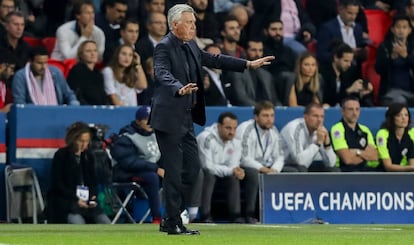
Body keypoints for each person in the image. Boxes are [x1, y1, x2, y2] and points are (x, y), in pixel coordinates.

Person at [150, 4, 274, 235]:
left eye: (194, 23)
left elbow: (214, 59)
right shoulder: (164, 47)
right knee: (175, 171)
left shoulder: (191, 45)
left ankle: (173, 215)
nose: (194, 26)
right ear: (174, 24)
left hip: (186, 118)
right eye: (189, 22)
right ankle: (172, 220)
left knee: (193, 168)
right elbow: (161, 72)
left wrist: (247, 64)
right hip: (168, 117)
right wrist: (179, 88)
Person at [48, 121, 111, 224]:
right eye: (81, 141)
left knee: (105, 222)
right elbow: (58, 185)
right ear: (73, 140)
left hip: (87, 203)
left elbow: (93, 182)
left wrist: (92, 197)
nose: (84, 145)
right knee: (78, 222)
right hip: (68, 202)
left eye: (86, 141)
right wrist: (76, 199)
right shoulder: (61, 155)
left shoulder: (89, 156)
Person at [194, 112, 252, 223]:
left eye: (235, 128)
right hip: (200, 174)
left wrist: (237, 171)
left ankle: (235, 215)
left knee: (234, 177)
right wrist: (231, 170)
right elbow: (207, 166)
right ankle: (205, 215)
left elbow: (233, 164)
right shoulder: (206, 139)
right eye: (228, 128)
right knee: (209, 175)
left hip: (221, 174)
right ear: (219, 126)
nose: (232, 132)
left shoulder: (236, 142)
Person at [110, 106, 164, 223]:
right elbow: (128, 162)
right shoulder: (127, 137)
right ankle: (157, 218)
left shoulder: (157, 134)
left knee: (175, 174)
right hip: (127, 172)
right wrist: (155, 168)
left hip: (151, 169)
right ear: (138, 121)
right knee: (152, 177)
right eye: (146, 119)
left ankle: (179, 214)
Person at [236, 100, 287, 222]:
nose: (269, 119)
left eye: (271, 115)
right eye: (265, 116)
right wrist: (264, 169)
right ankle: (250, 214)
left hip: (267, 167)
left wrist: (275, 170)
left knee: (292, 171)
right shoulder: (246, 129)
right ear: (256, 117)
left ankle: (282, 213)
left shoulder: (273, 131)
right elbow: (244, 158)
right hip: (246, 166)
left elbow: (280, 156)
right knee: (254, 174)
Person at [12, 46, 80, 105]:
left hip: (56, 114)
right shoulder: (20, 76)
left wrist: (73, 103)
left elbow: (68, 94)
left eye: (45, 63)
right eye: (39, 63)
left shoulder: (55, 72)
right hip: (31, 115)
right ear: (30, 61)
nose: (43, 67)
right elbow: (19, 103)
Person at [280, 103, 337, 171]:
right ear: (305, 117)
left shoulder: (320, 130)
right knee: (301, 169)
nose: (319, 120)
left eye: (322, 116)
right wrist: (317, 144)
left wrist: (327, 144)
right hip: (284, 164)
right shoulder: (295, 129)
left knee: (333, 170)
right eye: (315, 116)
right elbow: (300, 161)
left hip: (306, 164)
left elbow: (331, 163)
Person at [224, 39, 281, 106]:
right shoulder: (237, 72)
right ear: (245, 51)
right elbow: (241, 98)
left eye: (260, 50)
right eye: (254, 50)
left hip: (268, 112)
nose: (257, 54)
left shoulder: (267, 75)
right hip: (249, 112)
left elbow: (274, 100)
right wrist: (260, 108)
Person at [330, 97, 379, 171]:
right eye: (350, 109)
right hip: (344, 171)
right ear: (342, 111)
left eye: (357, 109)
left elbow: (374, 156)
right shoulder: (337, 129)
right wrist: (365, 155)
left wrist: (357, 152)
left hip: (364, 170)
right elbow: (347, 159)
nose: (355, 113)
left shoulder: (365, 129)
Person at [375, 15, 414, 106]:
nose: (401, 30)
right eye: (398, 27)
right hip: (391, 91)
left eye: (404, 27)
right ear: (392, 29)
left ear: (409, 30)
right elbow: (378, 69)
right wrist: (390, 58)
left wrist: (406, 57)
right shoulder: (384, 47)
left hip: (411, 90)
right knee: (400, 103)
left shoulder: (412, 48)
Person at [320, 42, 374, 107]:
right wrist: (349, 90)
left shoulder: (349, 73)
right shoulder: (323, 73)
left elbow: (352, 97)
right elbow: (328, 99)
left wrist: (362, 93)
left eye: (350, 61)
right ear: (336, 58)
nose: (349, 64)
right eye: (346, 61)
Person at [67, 40, 109, 105]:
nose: (93, 54)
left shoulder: (98, 74)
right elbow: (76, 94)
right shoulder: (76, 71)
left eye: (95, 50)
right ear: (81, 54)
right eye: (88, 51)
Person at [376, 103, 414, 171]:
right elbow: (388, 166)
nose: (403, 118)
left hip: (403, 174)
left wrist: (411, 168)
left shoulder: (411, 134)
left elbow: (412, 161)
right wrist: (410, 168)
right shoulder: (382, 134)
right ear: (392, 118)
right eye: (399, 115)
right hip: (382, 174)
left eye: (406, 115)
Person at [0, 48, 15, 112]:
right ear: (2, 66)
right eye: (11, 68)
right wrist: (2, 111)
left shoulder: (3, 85)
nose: (12, 73)